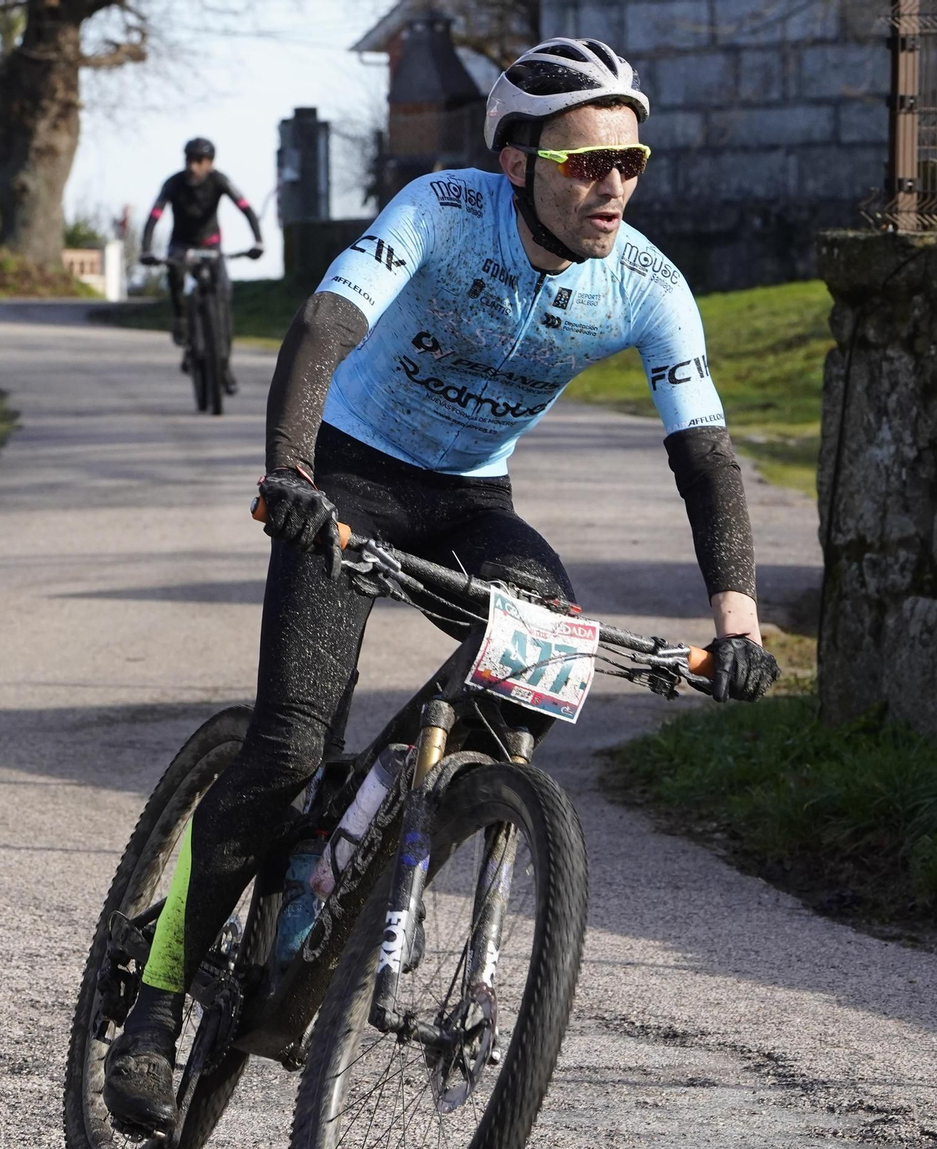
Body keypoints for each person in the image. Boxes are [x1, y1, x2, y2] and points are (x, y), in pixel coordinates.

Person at [102, 37, 781, 1134]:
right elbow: (324, 325)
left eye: (629, 162)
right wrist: (291, 474)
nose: (610, 184)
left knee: (542, 662)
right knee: (283, 748)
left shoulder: (646, 283)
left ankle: (383, 814)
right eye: (582, 163)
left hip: (470, 501)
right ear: (516, 162)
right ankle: (159, 1005)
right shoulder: (442, 207)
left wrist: (734, 624)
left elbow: (702, 453)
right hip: (349, 477)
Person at [139, 137, 265, 391]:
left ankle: (224, 367)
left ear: (210, 163)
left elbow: (246, 209)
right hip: (181, 245)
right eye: (189, 160)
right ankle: (181, 321)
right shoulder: (173, 183)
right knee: (175, 275)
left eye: (199, 161)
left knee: (223, 299)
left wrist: (258, 241)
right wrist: (146, 249)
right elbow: (155, 215)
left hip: (211, 245)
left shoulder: (220, 180)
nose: (193, 166)